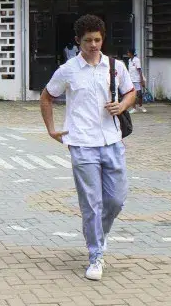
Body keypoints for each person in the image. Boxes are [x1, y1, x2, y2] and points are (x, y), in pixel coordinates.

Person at [40, 15, 135, 281]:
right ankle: (95, 256)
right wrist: (51, 129)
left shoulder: (115, 66)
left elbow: (130, 92)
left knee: (116, 200)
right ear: (77, 42)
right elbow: (46, 97)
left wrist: (122, 105)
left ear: (103, 39)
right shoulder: (68, 70)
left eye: (97, 40)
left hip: (112, 141)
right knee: (91, 204)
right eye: (87, 41)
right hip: (82, 144)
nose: (93, 45)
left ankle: (98, 235)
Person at [126, 49, 147, 113]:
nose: (127, 54)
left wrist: (142, 80)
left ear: (131, 53)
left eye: (128, 52)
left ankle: (140, 106)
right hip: (131, 79)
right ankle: (134, 108)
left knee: (139, 94)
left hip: (137, 79)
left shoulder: (137, 60)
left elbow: (139, 70)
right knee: (132, 94)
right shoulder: (129, 60)